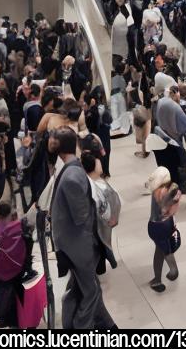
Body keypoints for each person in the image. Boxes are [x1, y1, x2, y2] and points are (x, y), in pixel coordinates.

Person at [49, 128, 115, 329]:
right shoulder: (72, 175)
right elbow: (82, 217)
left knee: (81, 289)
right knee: (91, 291)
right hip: (78, 246)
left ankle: (106, 325)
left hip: (75, 244)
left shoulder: (70, 172)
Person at [0, 202, 28, 327]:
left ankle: (2, 314)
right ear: (10, 213)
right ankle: (19, 316)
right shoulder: (19, 226)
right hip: (19, 267)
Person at [146, 167, 180, 292]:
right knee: (164, 248)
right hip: (167, 224)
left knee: (161, 251)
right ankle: (170, 271)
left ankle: (161, 277)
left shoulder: (156, 190)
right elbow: (170, 209)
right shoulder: (171, 190)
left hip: (156, 226)